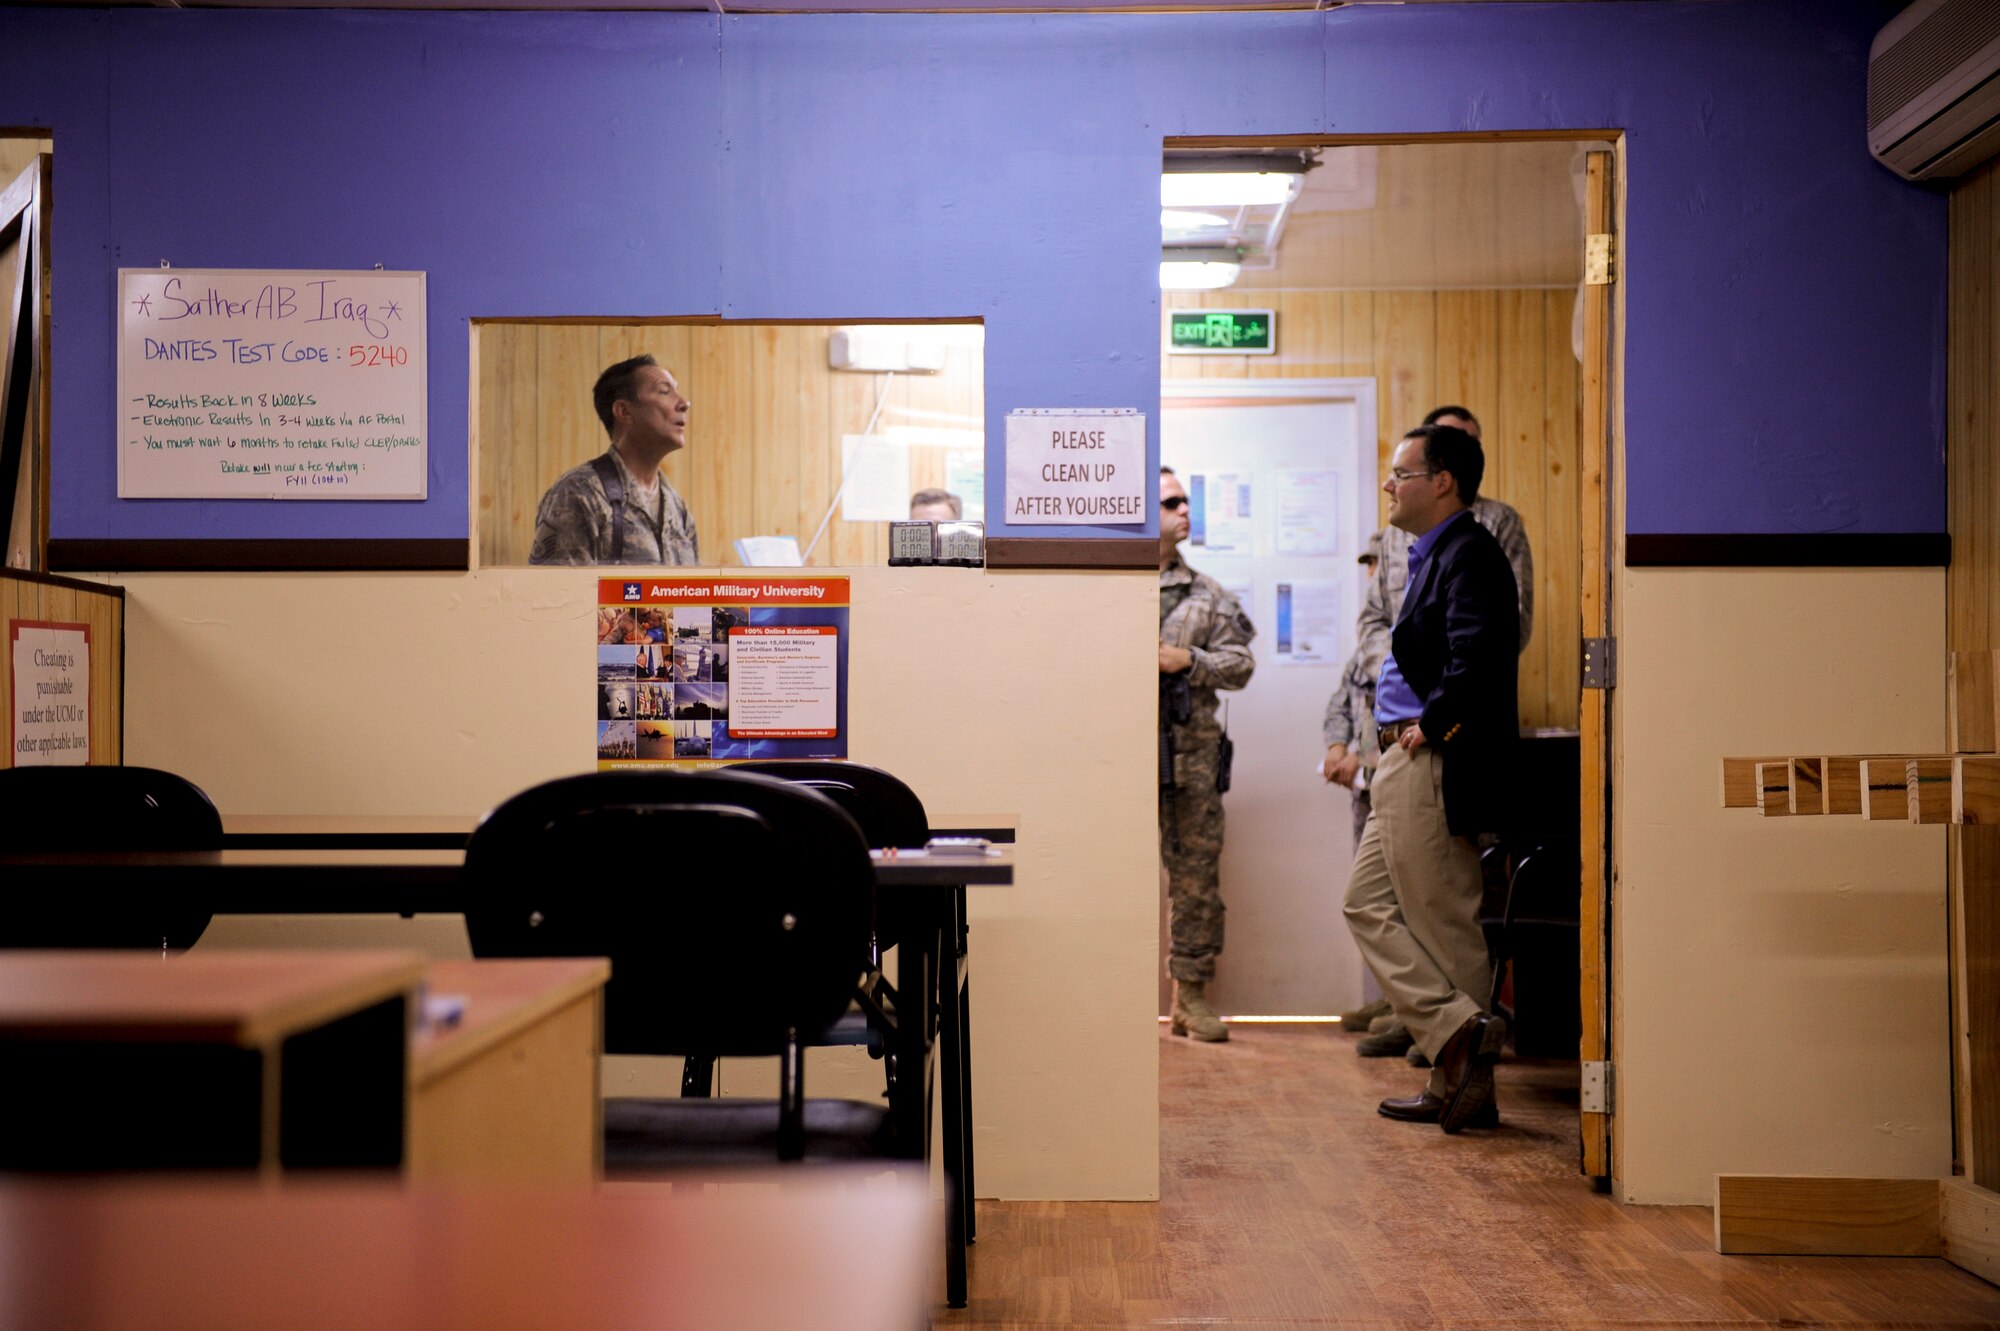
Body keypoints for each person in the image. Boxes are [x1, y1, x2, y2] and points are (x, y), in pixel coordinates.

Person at [1327, 404, 1533, 1060]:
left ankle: (1463, 1076)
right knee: (1366, 904)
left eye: (1401, 474)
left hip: (1434, 756)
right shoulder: (1430, 553)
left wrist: (1434, 722)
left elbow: (1480, 655)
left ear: (1442, 482)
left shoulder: (1472, 552)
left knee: (1444, 921)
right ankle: (1455, 1033)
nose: (1390, 485)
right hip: (1396, 755)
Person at [1158, 466, 1256, 1043]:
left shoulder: (1208, 594)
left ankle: (1189, 996)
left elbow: (1241, 664)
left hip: (1190, 758)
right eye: (1171, 502)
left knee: (1195, 878)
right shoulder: (1104, 588)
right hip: (1110, 761)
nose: (1184, 511)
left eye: (1185, 502)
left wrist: (1188, 660)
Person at [529, 354, 701, 566]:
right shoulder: (578, 494)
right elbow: (555, 587)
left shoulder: (678, 509)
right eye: (665, 391)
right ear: (624, 411)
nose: (685, 403)